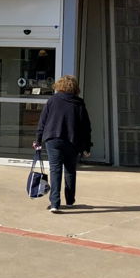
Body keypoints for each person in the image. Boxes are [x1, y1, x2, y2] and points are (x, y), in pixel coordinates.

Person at [33, 75, 93, 214]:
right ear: (74, 87)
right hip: (72, 141)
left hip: (53, 139)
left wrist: (38, 140)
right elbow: (86, 127)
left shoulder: (52, 100)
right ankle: (70, 200)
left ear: (59, 86)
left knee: (55, 170)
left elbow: (42, 122)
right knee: (70, 170)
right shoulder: (79, 103)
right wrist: (87, 146)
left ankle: (54, 203)